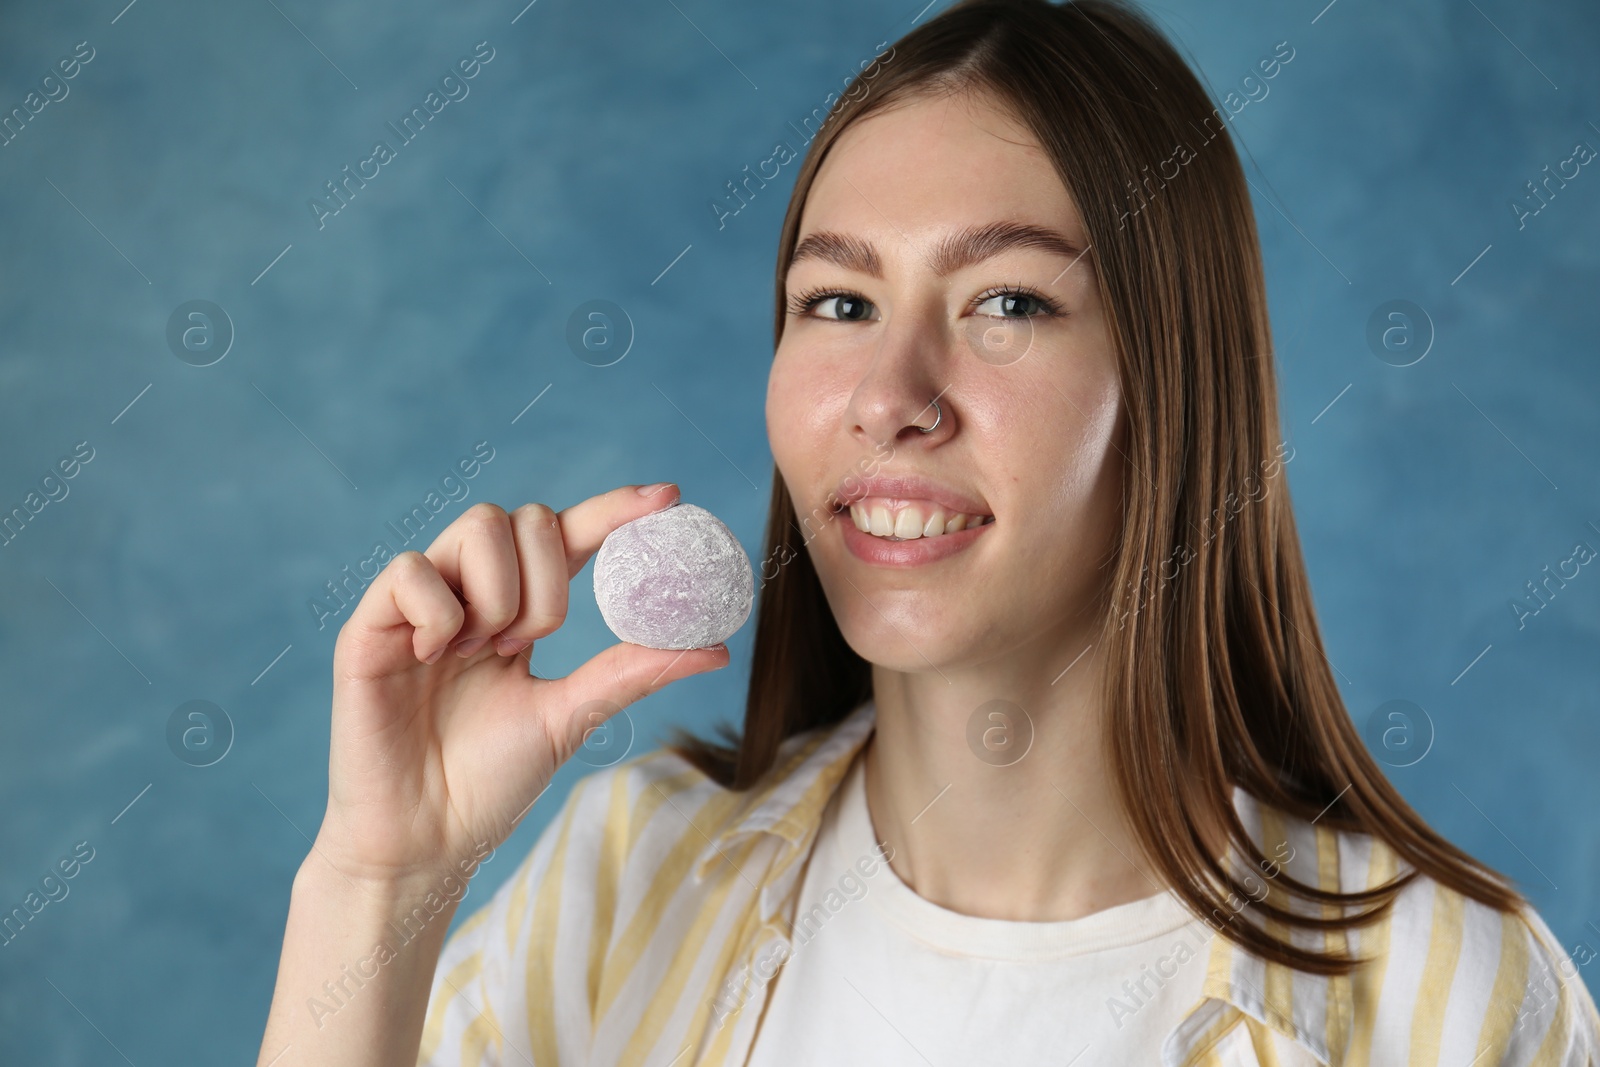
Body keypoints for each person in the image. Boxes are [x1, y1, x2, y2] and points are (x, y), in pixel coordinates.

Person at [256, 1, 1600, 1064]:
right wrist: (382, 880)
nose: (889, 400)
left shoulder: (1456, 995)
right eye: (837, 304)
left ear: (1173, 386)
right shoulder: (627, 870)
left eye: (1006, 303)